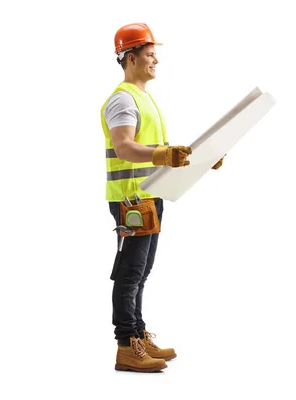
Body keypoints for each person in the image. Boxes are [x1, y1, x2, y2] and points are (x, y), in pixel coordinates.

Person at [100, 22, 223, 373]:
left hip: (149, 198)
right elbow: (125, 147)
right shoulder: (123, 99)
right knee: (130, 273)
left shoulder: (142, 97)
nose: (156, 61)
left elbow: (156, 151)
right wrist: (164, 155)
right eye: (150, 54)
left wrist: (197, 160)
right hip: (131, 201)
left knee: (141, 272)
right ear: (129, 57)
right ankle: (127, 345)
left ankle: (138, 333)